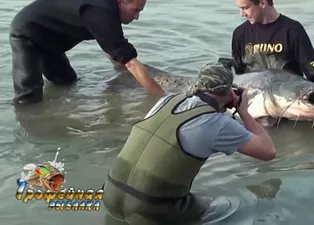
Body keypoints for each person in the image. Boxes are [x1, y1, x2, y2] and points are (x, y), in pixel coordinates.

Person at [101, 63, 276, 224]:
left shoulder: (166, 101)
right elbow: (268, 152)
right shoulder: (216, 123)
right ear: (228, 92)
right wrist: (243, 110)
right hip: (150, 209)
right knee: (235, 208)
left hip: (109, 195)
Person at [9, 0, 165, 105]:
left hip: (50, 39)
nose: (137, 17)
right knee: (28, 98)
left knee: (67, 82)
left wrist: (126, 72)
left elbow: (113, 48)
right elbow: (129, 61)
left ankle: (54, 114)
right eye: (135, 10)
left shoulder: (107, 10)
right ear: (121, 1)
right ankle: (25, 136)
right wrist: (163, 98)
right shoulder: (100, 11)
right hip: (26, 32)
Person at [230, 0, 314, 94]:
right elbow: (237, 77)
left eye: (245, 8)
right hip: (253, 99)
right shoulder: (240, 34)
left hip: (287, 97)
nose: (242, 14)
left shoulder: (292, 30)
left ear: (263, 2)